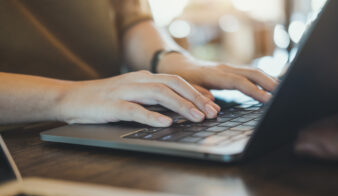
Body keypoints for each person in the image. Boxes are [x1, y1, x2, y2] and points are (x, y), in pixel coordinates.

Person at [0, 0, 278, 128]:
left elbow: (129, 18)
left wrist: (174, 61)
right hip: (15, 145)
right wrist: (68, 97)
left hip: (108, 120)